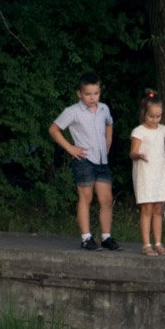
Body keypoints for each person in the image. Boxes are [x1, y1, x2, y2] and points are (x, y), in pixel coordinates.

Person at [49, 72, 121, 251]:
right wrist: (70, 148)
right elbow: (54, 129)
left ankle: (106, 237)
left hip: (102, 160)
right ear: (79, 94)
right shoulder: (72, 111)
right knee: (86, 197)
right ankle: (86, 238)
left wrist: (108, 142)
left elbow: (109, 123)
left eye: (95, 93)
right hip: (84, 160)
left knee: (106, 199)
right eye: (88, 94)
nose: (92, 97)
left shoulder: (104, 108)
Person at [129, 90, 165, 256]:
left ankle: (158, 243)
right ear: (144, 114)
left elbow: (161, 152)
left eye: (158, 116)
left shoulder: (163, 130)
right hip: (145, 174)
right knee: (146, 209)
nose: (155, 120)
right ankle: (146, 245)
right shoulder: (138, 131)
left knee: (158, 209)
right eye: (151, 116)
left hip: (159, 172)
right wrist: (138, 155)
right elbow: (132, 153)